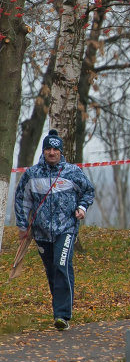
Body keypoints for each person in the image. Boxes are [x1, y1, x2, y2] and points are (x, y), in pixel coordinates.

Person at [14, 129, 95, 330]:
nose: (51, 152)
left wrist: (82, 208)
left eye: (55, 149)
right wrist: (23, 227)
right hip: (41, 233)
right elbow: (22, 200)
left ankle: (62, 315)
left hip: (66, 229)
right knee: (53, 271)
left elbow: (88, 191)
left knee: (61, 264)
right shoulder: (31, 175)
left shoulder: (72, 172)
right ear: (43, 151)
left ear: (61, 151)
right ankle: (61, 307)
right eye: (48, 149)